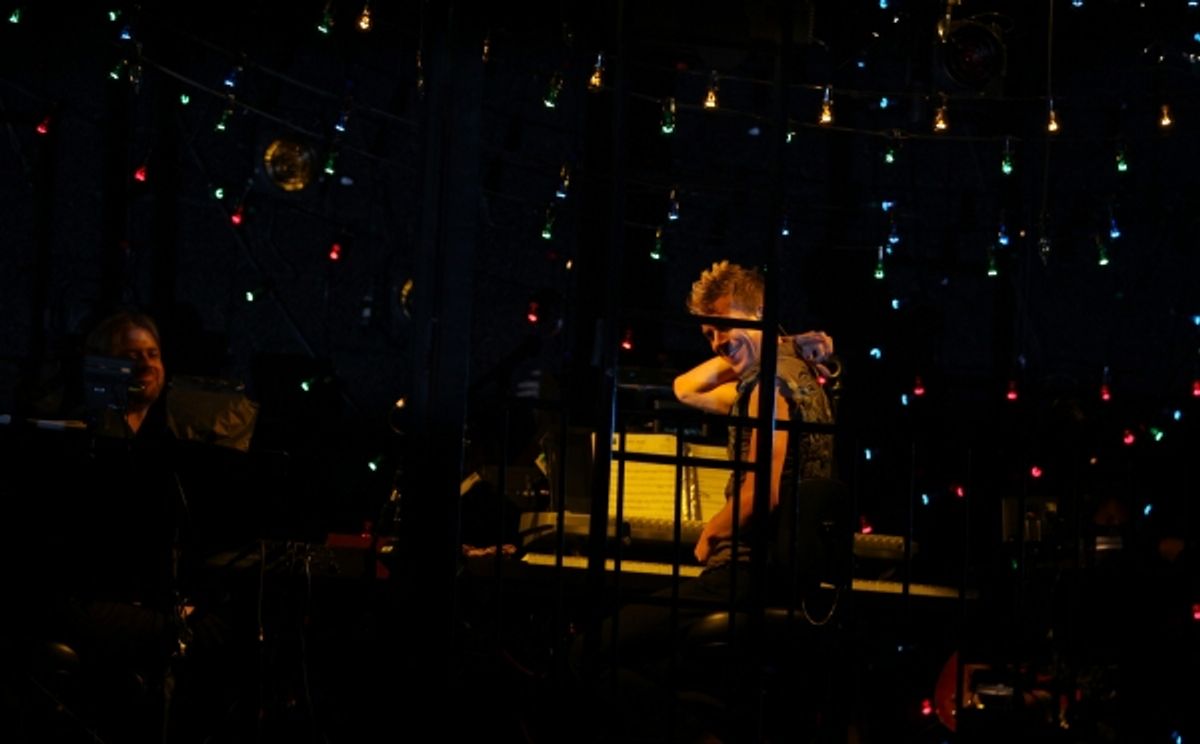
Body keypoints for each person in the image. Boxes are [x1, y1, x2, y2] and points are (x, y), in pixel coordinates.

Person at [570, 260, 836, 741]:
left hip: (744, 572)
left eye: (727, 324)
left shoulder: (766, 390)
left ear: (760, 312)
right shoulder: (786, 377)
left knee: (586, 655)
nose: (716, 340)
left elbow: (763, 492)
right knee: (652, 665)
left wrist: (710, 531)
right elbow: (684, 388)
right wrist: (782, 341)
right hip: (772, 575)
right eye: (709, 331)